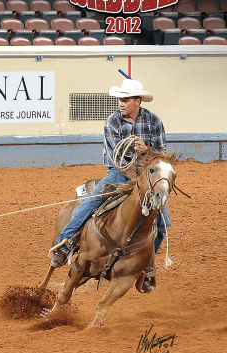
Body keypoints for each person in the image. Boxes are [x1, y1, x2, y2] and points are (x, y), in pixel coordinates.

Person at [49, 78, 170, 292]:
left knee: (161, 224)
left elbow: (162, 155)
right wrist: (135, 178)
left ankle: (146, 268)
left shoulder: (154, 121)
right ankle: (64, 246)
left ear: (137, 101)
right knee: (88, 205)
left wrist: (146, 150)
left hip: (146, 177)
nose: (120, 104)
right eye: (120, 100)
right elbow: (117, 159)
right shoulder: (113, 122)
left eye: (125, 100)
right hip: (118, 174)